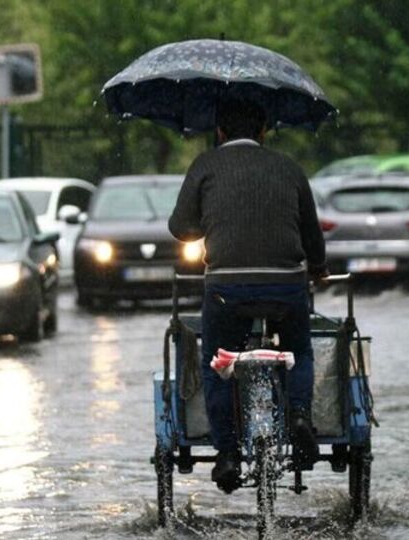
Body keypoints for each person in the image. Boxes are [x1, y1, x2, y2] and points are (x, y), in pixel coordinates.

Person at [168, 98, 327, 493]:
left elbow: (180, 228)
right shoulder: (289, 168)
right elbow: (312, 234)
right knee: (299, 352)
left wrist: (210, 220)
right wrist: (319, 267)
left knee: (217, 361)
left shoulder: (205, 165)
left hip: (227, 289)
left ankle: (226, 454)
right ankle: (301, 416)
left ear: (219, 132)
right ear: (264, 131)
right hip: (286, 285)